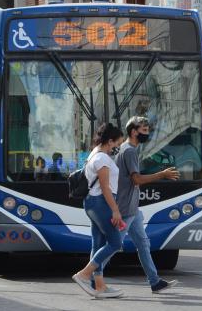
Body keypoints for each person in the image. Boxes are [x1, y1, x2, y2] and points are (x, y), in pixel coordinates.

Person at [115, 116, 180, 293]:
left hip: (132, 208)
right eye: (144, 130)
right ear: (133, 132)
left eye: (148, 130)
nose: (147, 133)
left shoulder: (128, 149)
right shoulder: (129, 151)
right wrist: (162, 174)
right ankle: (90, 275)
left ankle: (155, 281)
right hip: (126, 208)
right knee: (112, 245)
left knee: (143, 243)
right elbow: (136, 179)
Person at [72, 123, 126, 299]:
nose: (117, 148)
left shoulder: (94, 153)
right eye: (117, 144)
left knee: (98, 244)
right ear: (110, 141)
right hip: (101, 202)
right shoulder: (102, 158)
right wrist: (115, 210)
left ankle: (100, 285)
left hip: (92, 203)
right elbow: (105, 187)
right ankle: (84, 274)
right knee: (116, 243)